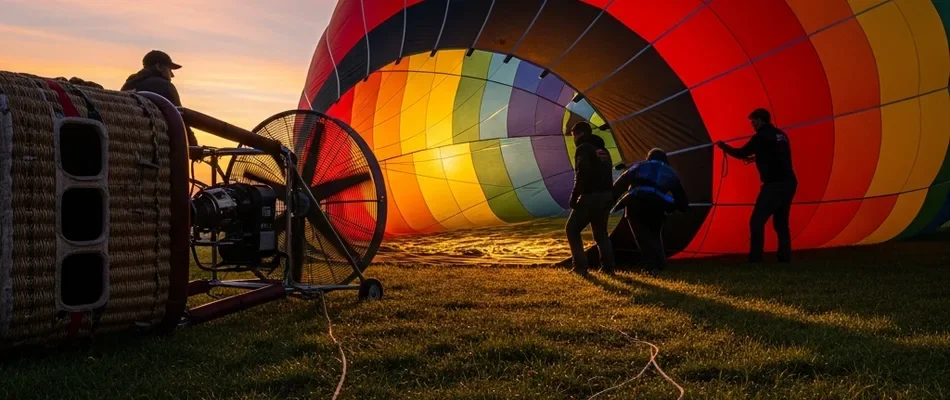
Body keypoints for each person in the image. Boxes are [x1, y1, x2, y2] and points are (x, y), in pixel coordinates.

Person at [716, 108, 797, 263]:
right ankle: (785, 256)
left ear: (760, 121)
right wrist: (758, 158)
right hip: (789, 182)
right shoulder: (781, 135)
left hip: (774, 184)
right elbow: (776, 155)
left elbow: (741, 153)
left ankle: (756, 257)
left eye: (753, 121)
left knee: (757, 220)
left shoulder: (760, 137)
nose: (752, 124)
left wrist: (723, 146)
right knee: (781, 222)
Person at [612, 148, 689, 275]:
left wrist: (610, 201)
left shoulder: (637, 167)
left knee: (643, 238)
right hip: (657, 208)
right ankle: (660, 264)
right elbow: (682, 202)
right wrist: (673, 207)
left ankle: (652, 267)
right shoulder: (670, 173)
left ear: (648, 158)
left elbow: (617, 187)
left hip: (634, 206)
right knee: (654, 236)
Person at [566, 122, 616, 275]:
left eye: (574, 135)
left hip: (591, 196)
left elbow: (582, 173)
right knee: (601, 233)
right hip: (607, 195)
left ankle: (580, 267)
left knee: (572, 229)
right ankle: (608, 269)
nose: (574, 139)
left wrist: (574, 196)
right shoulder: (603, 150)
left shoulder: (583, 148)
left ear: (580, 134)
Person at [121, 50, 198, 146]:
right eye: (169, 70)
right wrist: (193, 144)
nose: (172, 75)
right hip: (153, 145)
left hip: (128, 142)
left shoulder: (128, 85)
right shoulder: (164, 86)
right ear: (159, 67)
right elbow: (179, 118)